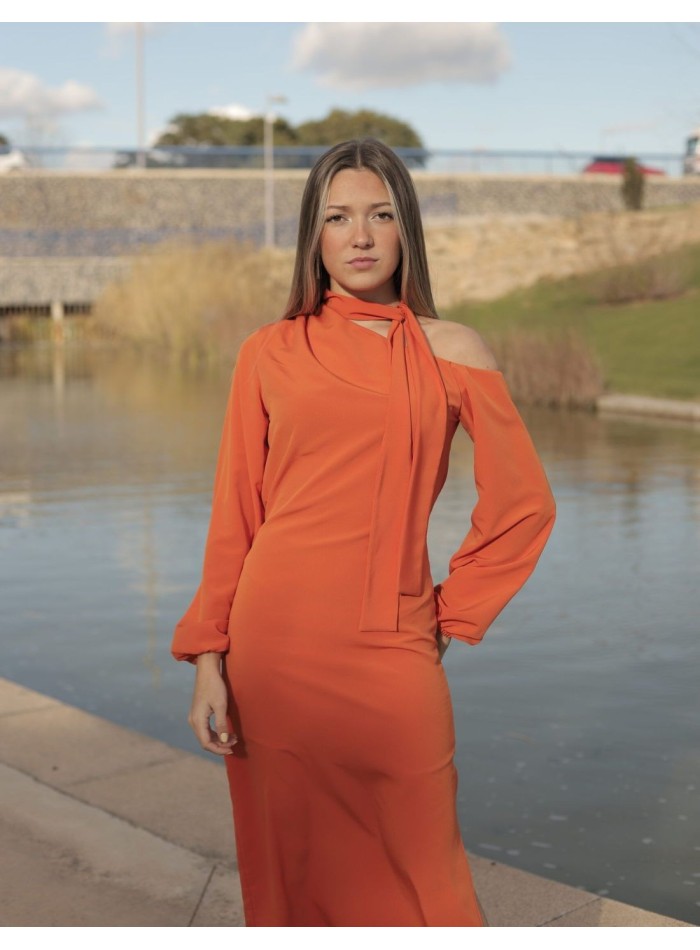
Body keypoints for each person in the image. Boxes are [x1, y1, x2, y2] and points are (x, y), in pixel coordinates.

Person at [171, 138, 556, 927]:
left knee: (428, 873)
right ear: (313, 235)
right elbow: (235, 515)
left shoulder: (455, 351)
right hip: (273, 645)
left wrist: (450, 614)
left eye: (380, 215)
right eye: (338, 217)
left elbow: (523, 504)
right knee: (294, 869)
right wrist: (210, 658)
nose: (360, 235)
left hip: (394, 644)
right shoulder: (268, 352)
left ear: (406, 229)